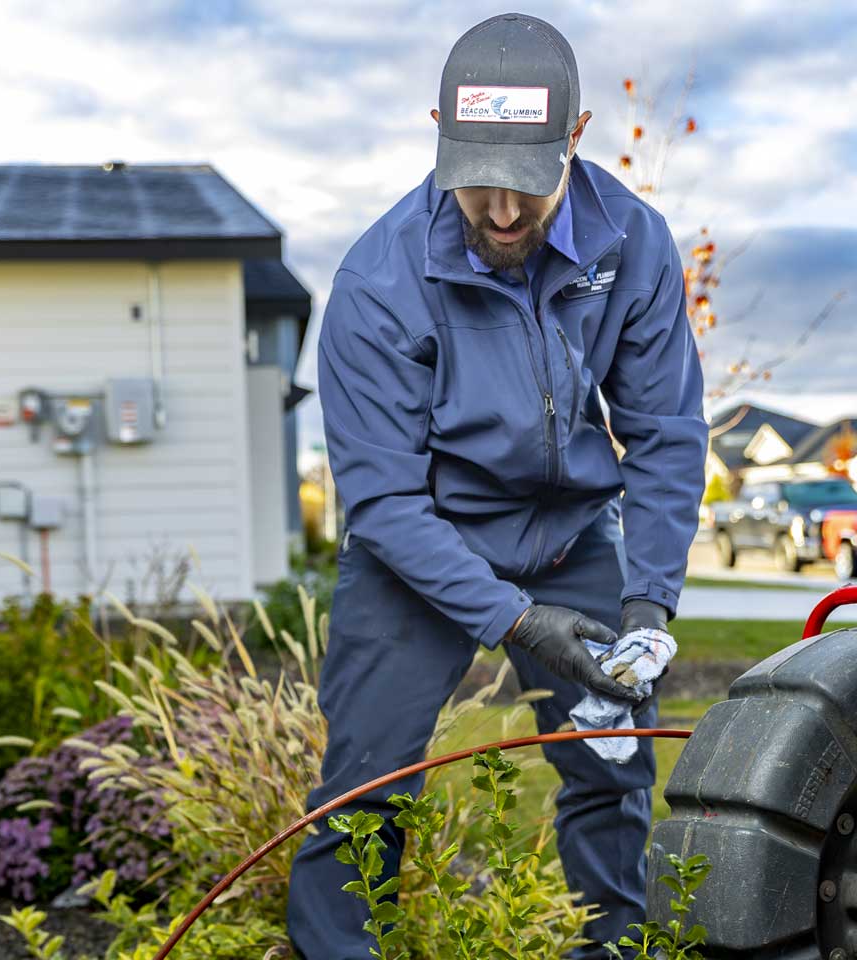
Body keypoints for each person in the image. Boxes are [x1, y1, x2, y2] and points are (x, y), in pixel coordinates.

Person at [287, 12, 708, 960]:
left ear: (578, 137)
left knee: (611, 767)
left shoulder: (632, 245)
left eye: (527, 183)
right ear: (438, 128)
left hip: (569, 537)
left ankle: (615, 949)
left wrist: (648, 599)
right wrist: (516, 623)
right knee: (366, 787)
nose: (504, 212)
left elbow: (666, 433)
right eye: (478, 181)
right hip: (421, 546)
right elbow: (385, 503)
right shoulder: (379, 282)